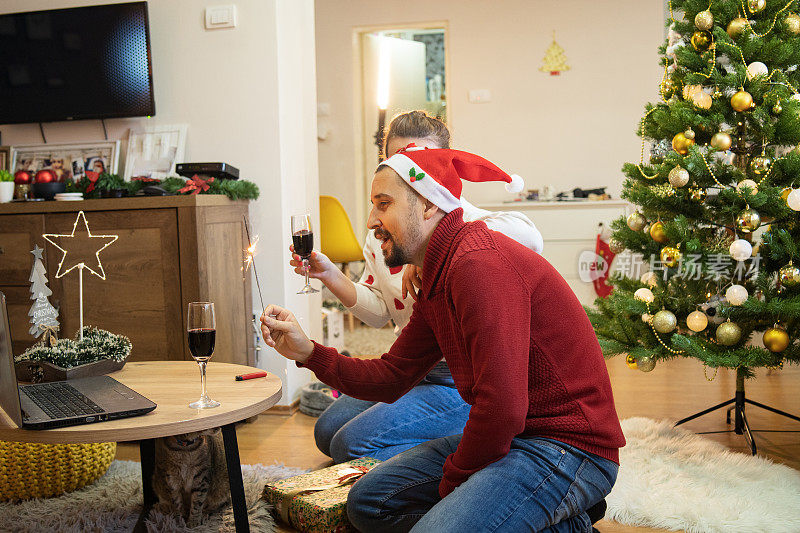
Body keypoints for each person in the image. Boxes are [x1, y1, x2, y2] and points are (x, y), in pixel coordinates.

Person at [263, 146, 625, 531]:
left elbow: (502, 408)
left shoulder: (476, 266)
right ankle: (544, 517)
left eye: (383, 204)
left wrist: (455, 482)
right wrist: (309, 352)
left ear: (428, 205)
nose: (371, 220)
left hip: (567, 447)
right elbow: (392, 375)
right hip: (516, 436)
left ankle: (560, 514)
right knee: (368, 504)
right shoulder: (437, 272)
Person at [296, 110, 543, 463]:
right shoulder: (380, 235)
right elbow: (381, 311)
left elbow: (531, 237)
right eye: (400, 163)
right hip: (412, 368)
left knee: (348, 445)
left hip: (456, 379)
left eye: (424, 164)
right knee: (326, 431)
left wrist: (434, 250)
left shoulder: (473, 222)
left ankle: (462, 436)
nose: (413, 176)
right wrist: (329, 275)